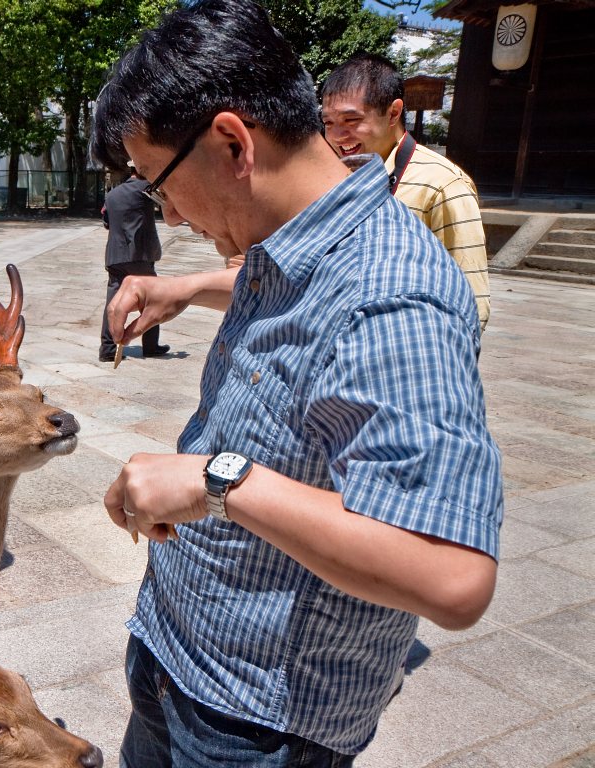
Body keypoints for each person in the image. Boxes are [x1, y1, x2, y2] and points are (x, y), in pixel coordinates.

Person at [91, 1, 503, 766]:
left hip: (255, 720)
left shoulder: (392, 295)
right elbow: (287, 293)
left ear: (230, 142)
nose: (170, 215)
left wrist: (218, 482)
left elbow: (454, 575)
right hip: (177, 650)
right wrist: (184, 289)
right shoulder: (294, 236)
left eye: (160, 184)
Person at [321, 53, 491, 330]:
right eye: (328, 122)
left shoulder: (442, 184)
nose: (337, 135)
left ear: (393, 113)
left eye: (351, 120)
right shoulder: (334, 176)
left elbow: (472, 299)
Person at [99, 165, 168, 362]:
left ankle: (107, 349)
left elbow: (107, 223)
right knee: (151, 300)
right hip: (139, 255)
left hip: (114, 256)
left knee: (113, 302)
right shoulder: (146, 188)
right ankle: (151, 346)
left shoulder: (112, 195)